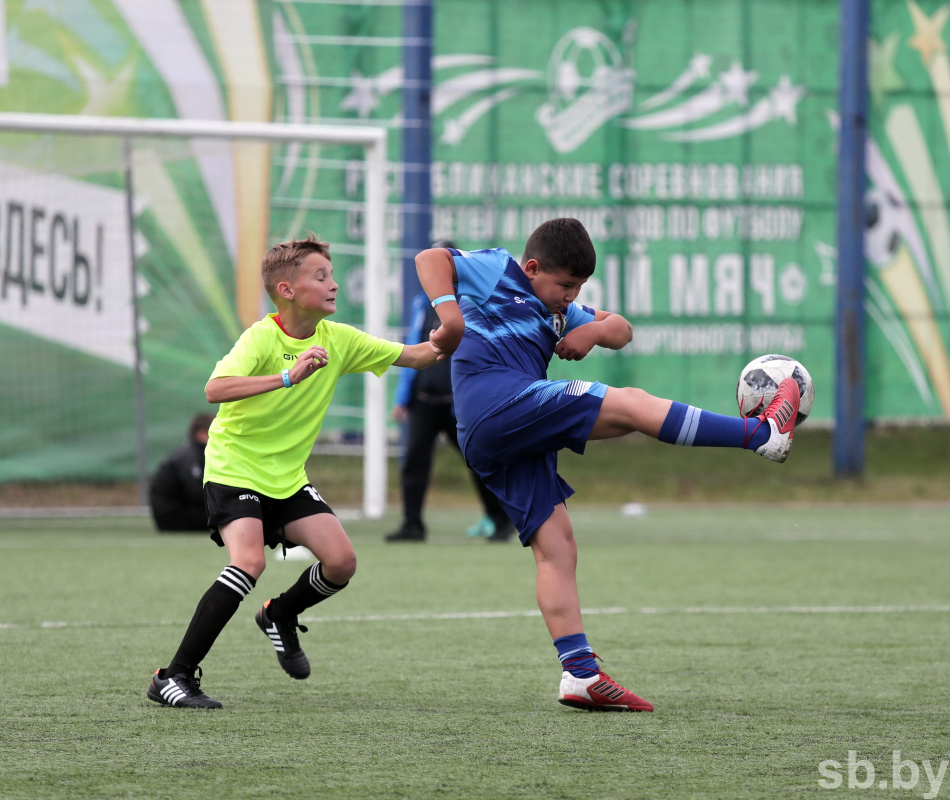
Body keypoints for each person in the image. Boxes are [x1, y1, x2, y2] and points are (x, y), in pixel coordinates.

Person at [416, 218, 800, 713]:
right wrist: (451, 319)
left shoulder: (559, 309)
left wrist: (591, 331)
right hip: (499, 401)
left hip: (492, 435)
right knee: (630, 402)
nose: (570, 296)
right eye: (566, 286)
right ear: (531, 268)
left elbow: (623, 329)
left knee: (557, 547)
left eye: (578, 288)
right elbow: (431, 259)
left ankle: (580, 674)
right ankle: (761, 435)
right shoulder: (498, 270)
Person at [147, 232, 443, 709]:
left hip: (286, 477)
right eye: (320, 276)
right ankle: (173, 675)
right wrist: (288, 375)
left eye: (332, 275)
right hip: (235, 467)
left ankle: (279, 615)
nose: (334, 285)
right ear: (286, 290)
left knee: (342, 562)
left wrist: (450, 332)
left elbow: (417, 355)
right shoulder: (262, 337)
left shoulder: (340, 339)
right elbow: (215, 388)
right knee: (248, 562)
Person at [386, 241, 514, 543]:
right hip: (423, 401)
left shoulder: (473, 303)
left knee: (480, 462)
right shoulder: (422, 304)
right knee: (413, 464)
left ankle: (501, 520)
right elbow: (413, 349)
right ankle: (412, 525)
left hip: (460, 404)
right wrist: (402, 399)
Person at [148, 413, 215, 532]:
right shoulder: (190, 455)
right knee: (227, 516)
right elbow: (196, 492)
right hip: (172, 517)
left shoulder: (194, 451)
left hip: (178, 512)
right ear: (202, 434)